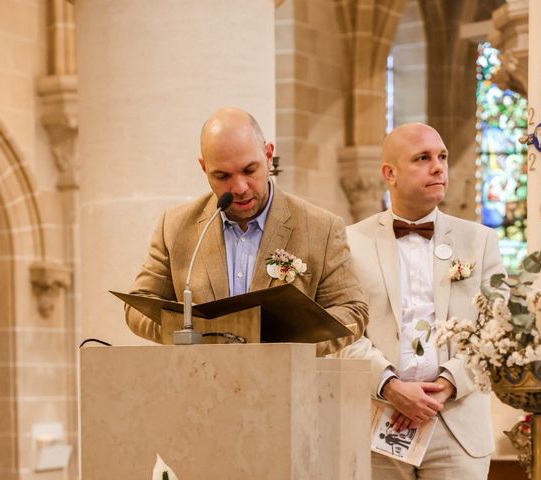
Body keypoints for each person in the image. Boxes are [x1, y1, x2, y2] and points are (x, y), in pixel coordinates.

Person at [335, 123, 506, 479]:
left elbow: (497, 328)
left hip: (456, 423)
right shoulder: (350, 242)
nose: (438, 166)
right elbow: (341, 332)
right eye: (422, 158)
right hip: (377, 420)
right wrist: (390, 386)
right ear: (389, 173)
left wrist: (448, 383)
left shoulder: (480, 241)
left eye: (442, 156)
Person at [125, 107, 368, 356]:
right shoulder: (175, 226)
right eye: (222, 175)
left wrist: (290, 346)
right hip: (198, 384)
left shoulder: (321, 228)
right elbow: (138, 308)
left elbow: (352, 310)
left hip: (287, 385)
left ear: (268, 155)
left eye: (249, 170)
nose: (239, 187)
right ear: (204, 167)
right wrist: (196, 334)